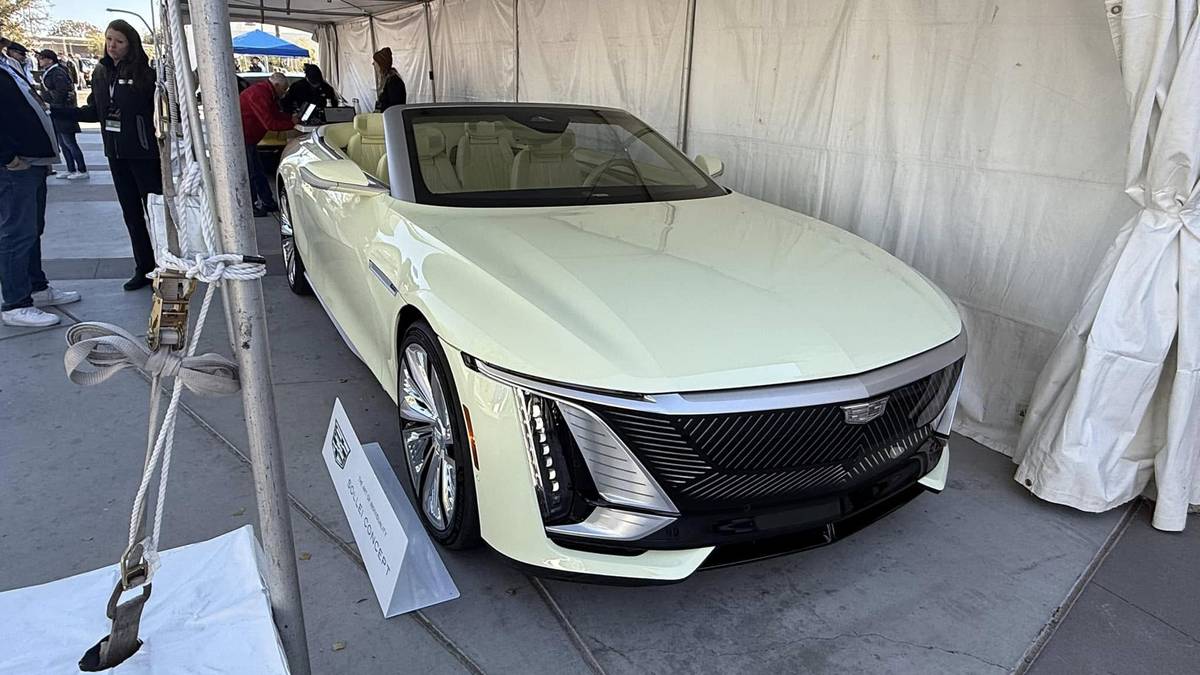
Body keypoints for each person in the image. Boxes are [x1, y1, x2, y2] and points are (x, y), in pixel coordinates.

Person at [57, 20, 161, 291]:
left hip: (144, 155)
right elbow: (95, 111)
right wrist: (57, 111)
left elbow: (159, 113)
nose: (112, 45)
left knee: (156, 213)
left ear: (130, 44)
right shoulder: (101, 73)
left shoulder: (145, 74)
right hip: (116, 155)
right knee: (131, 214)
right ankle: (144, 267)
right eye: (109, 39)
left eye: (119, 41)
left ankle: (166, 265)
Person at [1, 54, 81, 327]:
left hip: (32, 161)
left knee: (31, 230)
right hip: (16, 166)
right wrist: (7, 156)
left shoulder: (8, 67)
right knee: (17, 233)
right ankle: (15, 303)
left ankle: (36, 287)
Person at [239, 72, 298, 216]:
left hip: (249, 137)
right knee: (252, 172)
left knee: (257, 171)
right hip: (244, 136)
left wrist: (290, 118)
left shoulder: (265, 92)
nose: (284, 93)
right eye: (283, 89)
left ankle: (267, 202)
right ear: (276, 85)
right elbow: (270, 123)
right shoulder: (260, 95)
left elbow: (274, 114)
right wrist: (291, 123)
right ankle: (253, 205)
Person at [37, 49, 88, 180]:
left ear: (50, 59)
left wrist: (53, 105)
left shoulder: (58, 72)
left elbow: (62, 92)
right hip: (56, 112)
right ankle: (70, 168)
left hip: (62, 111)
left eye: (42, 58)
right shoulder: (50, 71)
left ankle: (81, 169)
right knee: (63, 143)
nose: (39, 60)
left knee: (70, 142)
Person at [372, 47, 406, 112]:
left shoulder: (393, 81)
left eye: (375, 62)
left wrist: (380, 107)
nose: (373, 64)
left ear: (381, 64)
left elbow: (395, 106)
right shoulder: (388, 80)